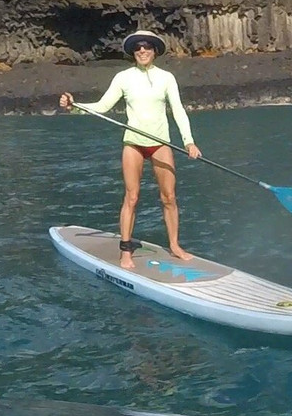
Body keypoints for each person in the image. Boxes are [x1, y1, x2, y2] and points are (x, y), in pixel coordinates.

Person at [59, 30, 202, 270]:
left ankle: (175, 245)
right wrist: (75, 106)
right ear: (133, 52)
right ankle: (125, 250)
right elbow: (102, 106)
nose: (142, 50)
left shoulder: (166, 78)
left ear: (155, 50)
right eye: (138, 47)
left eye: (147, 46)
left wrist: (188, 141)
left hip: (160, 143)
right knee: (132, 197)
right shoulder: (123, 78)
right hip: (133, 143)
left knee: (169, 197)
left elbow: (178, 111)